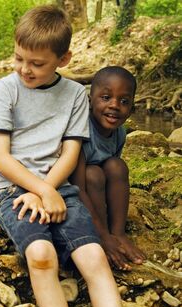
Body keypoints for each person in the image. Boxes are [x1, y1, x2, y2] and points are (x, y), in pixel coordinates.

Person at [0, 5, 126, 307]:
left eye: (37, 64)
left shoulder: (74, 94)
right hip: (13, 190)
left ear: (64, 59)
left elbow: (70, 153)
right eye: (19, 58)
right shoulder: (3, 91)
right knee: (42, 256)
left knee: (94, 257)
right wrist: (42, 190)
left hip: (61, 188)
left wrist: (50, 190)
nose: (24, 69)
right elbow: (1, 158)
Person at [70, 66, 145, 271]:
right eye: (105, 97)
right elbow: (78, 187)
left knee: (117, 166)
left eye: (124, 101)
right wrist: (101, 234)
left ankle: (118, 233)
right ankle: (103, 236)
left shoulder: (119, 132)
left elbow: (113, 176)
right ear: (90, 99)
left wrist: (115, 232)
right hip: (72, 185)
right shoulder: (81, 130)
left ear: (132, 106)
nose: (114, 106)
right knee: (93, 174)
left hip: (96, 183)